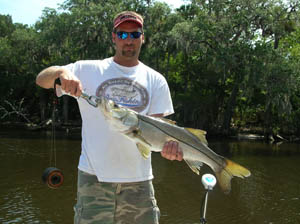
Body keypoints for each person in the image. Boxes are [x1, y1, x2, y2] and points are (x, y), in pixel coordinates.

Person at [36, 11, 183, 224]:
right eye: (122, 34)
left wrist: (169, 150)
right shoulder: (86, 69)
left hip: (139, 184)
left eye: (135, 34)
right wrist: (61, 73)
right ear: (113, 37)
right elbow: (41, 79)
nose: (129, 40)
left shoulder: (156, 80)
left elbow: (157, 133)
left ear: (143, 37)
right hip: (93, 180)